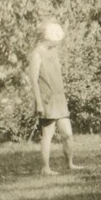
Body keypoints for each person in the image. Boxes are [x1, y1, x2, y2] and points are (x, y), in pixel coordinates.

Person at [29, 21, 81, 176]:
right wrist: (39, 103)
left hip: (59, 97)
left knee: (68, 133)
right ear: (48, 38)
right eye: (56, 39)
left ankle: (70, 163)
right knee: (48, 134)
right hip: (47, 99)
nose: (58, 42)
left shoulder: (53, 52)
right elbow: (34, 81)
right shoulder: (36, 54)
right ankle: (45, 168)